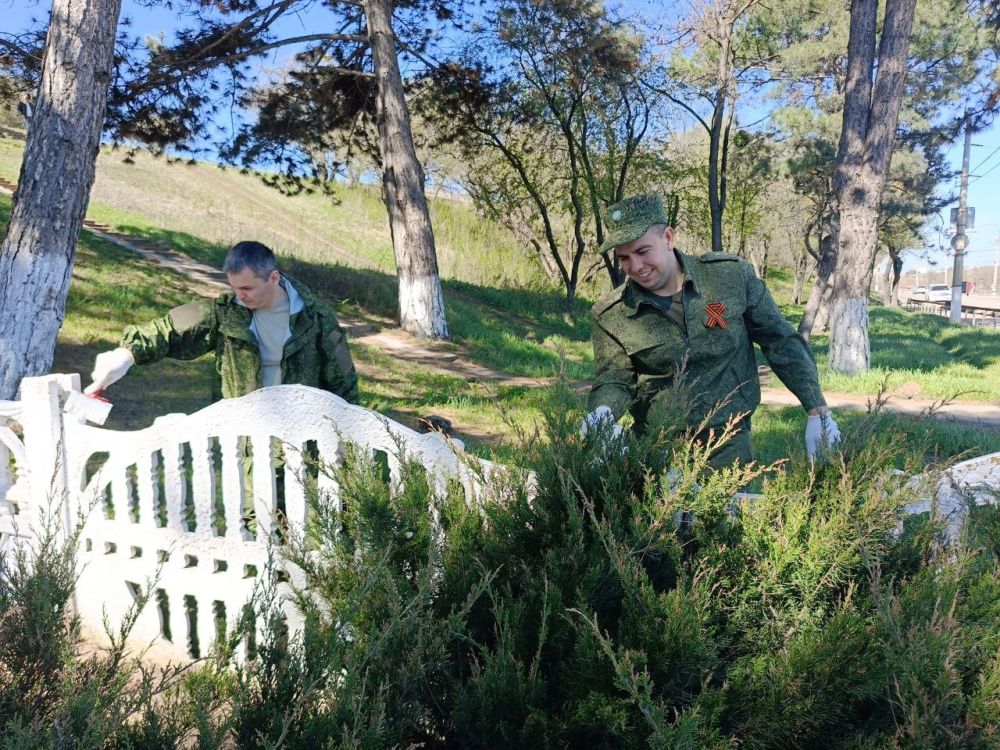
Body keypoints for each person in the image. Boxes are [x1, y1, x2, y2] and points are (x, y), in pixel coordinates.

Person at [583, 194, 839, 469]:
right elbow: (615, 379)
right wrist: (603, 413)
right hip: (656, 447)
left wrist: (818, 412)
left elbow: (780, 340)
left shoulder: (729, 278)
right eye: (624, 258)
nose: (635, 266)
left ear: (668, 238)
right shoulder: (612, 314)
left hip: (729, 442)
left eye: (643, 251)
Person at [86, 240, 359, 404]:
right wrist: (126, 354)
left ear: (273, 278)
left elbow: (344, 383)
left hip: (302, 451)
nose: (239, 296)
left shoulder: (319, 320)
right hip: (244, 449)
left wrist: (347, 445)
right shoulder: (224, 313)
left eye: (247, 288)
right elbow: (167, 328)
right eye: (234, 288)